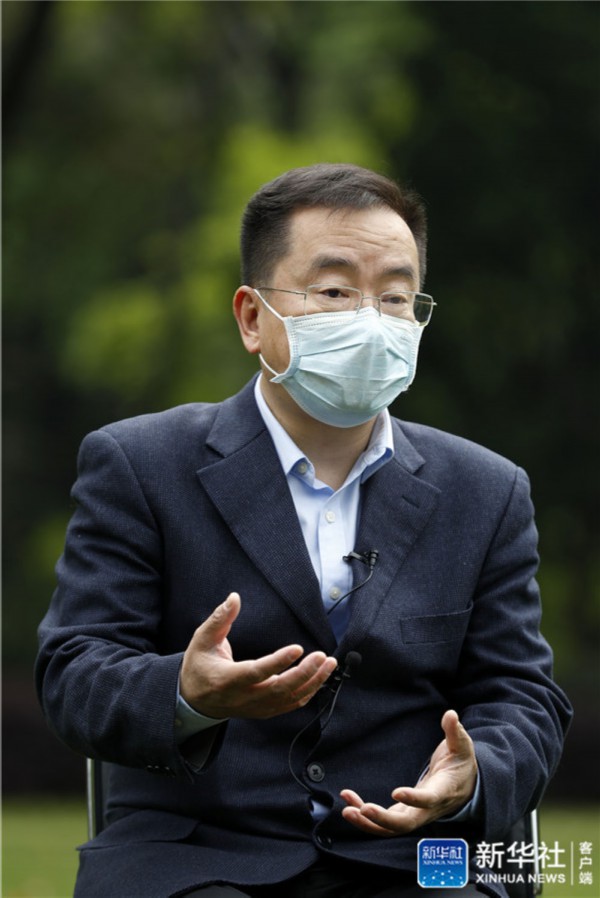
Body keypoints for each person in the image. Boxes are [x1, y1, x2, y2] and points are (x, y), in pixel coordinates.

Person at [36, 163, 572, 898]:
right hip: (199, 858)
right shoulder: (139, 464)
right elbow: (74, 673)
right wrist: (186, 693)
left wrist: (476, 771)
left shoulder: (486, 490)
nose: (372, 321)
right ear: (253, 318)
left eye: (395, 297)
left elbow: (523, 694)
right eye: (335, 292)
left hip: (416, 860)